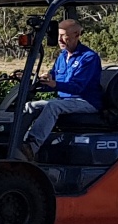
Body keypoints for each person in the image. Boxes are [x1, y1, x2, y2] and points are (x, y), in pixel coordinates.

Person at [20, 18, 102, 160]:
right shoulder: (62, 56)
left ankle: (32, 147)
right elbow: (54, 77)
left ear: (76, 34)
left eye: (64, 36)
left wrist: (55, 84)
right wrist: (42, 80)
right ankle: (18, 141)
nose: (60, 40)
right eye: (58, 36)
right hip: (65, 100)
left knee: (53, 106)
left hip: (86, 101)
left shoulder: (88, 58)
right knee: (30, 106)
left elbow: (78, 87)